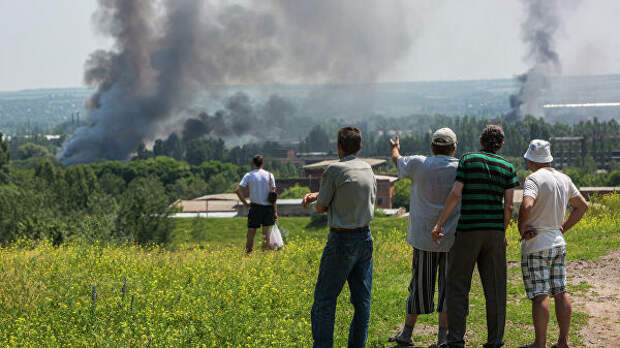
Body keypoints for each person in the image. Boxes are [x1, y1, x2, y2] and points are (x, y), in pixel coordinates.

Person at [432, 125, 519, 348]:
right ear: (500, 144)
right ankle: (495, 340)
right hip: (494, 234)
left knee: (458, 286)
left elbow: (455, 193)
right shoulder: (508, 167)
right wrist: (502, 230)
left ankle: (455, 340)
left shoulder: (468, 160)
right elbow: (509, 205)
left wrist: (439, 224)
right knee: (496, 289)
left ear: (481, 140)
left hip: (468, 231)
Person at [302, 127, 377, 348]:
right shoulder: (367, 168)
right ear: (360, 146)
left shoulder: (333, 169)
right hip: (365, 237)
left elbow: (322, 207)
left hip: (342, 240)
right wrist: (320, 194)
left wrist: (313, 199)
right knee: (362, 302)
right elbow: (350, 193)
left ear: (339, 146)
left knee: (325, 300)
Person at [387, 128, 460, 347]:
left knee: (418, 287)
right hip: (451, 240)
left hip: (423, 239)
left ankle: (407, 334)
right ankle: (442, 339)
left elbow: (396, 160)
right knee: (448, 290)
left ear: (432, 147)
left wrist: (395, 147)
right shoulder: (461, 169)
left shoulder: (418, 164)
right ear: (454, 148)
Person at [517, 139, 588, 348]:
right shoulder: (564, 178)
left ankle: (540, 343)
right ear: (548, 159)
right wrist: (563, 227)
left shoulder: (532, 179)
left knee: (540, 296)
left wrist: (522, 228)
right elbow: (582, 206)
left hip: (536, 245)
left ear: (531, 160)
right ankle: (563, 341)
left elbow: (527, 203)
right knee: (560, 291)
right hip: (558, 243)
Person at [235, 154, 278, 253]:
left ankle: (248, 255)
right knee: (266, 234)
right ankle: (265, 255)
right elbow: (273, 196)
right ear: (262, 163)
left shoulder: (249, 175)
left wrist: (245, 203)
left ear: (253, 164)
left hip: (255, 207)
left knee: (251, 234)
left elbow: (238, 190)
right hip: (268, 208)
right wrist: (275, 211)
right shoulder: (269, 175)